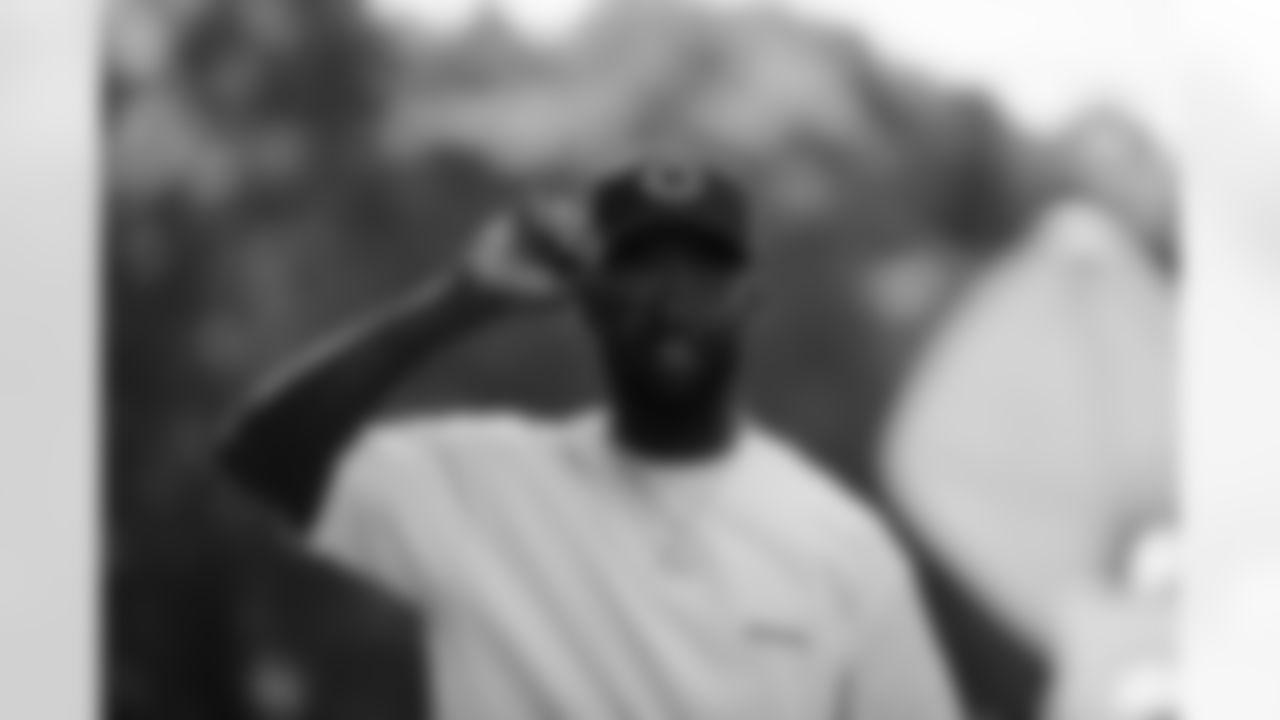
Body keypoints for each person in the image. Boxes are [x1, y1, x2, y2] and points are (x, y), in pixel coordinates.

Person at [218, 158, 961, 720]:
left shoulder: (844, 550)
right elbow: (264, 455)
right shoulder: (479, 486)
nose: (672, 302)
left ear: (749, 302)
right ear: (591, 302)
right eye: (641, 273)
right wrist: (461, 300)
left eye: (703, 276)